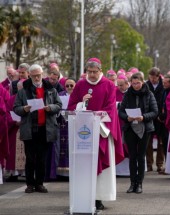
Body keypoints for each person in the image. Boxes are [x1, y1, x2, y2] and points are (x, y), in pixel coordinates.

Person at [68, 58, 124, 210]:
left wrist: (96, 118)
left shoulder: (109, 85)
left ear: (100, 71)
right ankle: (85, 197)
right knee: (86, 166)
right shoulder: (80, 85)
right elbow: (71, 106)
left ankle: (100, 198)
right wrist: (82, 104)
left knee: (102, 165)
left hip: (102, 131)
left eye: (94, 72)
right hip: (84, 134)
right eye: (89, 72)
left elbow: (111, 107)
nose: (91, 75)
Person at [13, 64, 62, 193]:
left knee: (42, 158)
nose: (36, 78)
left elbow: (59, 105)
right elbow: (16, 108)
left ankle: (39, 183)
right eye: (34, 76)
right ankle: (29, 184)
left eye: (38, 75)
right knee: (30, 158)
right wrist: (23, 109)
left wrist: (50, 108)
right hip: (29, 128)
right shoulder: (23, 91)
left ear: (42, 74)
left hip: (45, 129)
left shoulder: (51, 89)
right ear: (29, 75)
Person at [119, 72, 158, 194]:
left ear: (143, 82)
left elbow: (155, 111)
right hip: (130, 127)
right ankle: (132, 183)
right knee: (132, 156)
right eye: (133, 83)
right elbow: (120, 112)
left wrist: (143, 117)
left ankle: (139, 183)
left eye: (138, 83)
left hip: (145, 127)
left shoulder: (149, 94)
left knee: (141, 156)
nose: (135, 86)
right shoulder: (127, 94)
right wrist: (127, 117)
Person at [56, 78, 77, 177]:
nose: (69, 87)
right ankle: (62, 172)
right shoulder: (60, 95)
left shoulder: (79, 95)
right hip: (63, 124)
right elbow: (56, 107)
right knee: (62, 147)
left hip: (75, 123)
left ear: (75, 85)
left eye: (71, 85)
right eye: (67, 85)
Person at [145, 67, 165, 172]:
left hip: (160, 118)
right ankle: (149, 164)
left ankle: (160, 164)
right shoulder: (146, 85)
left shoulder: (163, 85)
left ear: (159, 76)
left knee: (160, 142)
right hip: (149, 116)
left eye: (154, 77)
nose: (153, 79)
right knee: (148, 141)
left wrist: (161, 114)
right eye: (151, 77)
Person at [158, 73, 170, 163]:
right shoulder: (164, 90)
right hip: (163, 121)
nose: (163, 84)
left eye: (165, 83)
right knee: (164, 143)